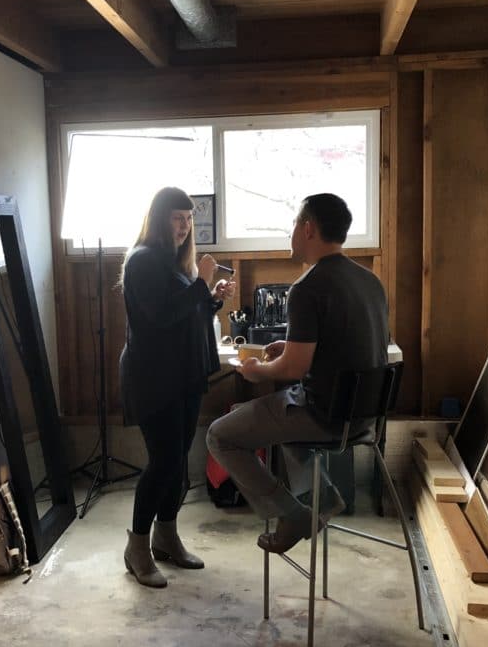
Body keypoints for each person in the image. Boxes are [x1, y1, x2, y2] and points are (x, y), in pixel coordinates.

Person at [205, 193, 388, 554]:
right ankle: (326, 498)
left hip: (323, 416)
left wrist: (256, 371)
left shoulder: (307, 287)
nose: (291, 233)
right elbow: (332, 350)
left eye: (293, 225)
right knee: (284, 421)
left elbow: (292, 369)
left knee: (219, 436)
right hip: (366, 417)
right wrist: (286, 350)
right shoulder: (370, 282)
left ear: (308, 229)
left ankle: (294, 513)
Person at [119, 186, 237, 588]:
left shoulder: (174, 262)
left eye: (189, 218)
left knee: (178, 463)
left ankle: (165, 537)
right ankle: (137, 547)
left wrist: (211, 297)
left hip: (184, 374)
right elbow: (162, 316)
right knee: (163, 463)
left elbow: (187, 310)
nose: (185, 226)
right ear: (158, 218)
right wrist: (201, 284)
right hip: (153, 377)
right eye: (177, 217)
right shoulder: (143, 261)